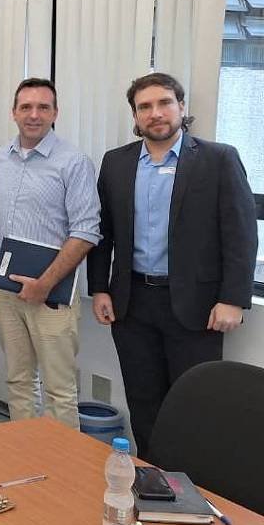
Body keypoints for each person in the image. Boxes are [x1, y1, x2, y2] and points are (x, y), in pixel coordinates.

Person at [88, 72, 256, 455]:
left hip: (196, 308)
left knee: (196, 404)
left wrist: (233, 299)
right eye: (144, 106)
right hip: (132, 304)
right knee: (143, 401)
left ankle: (193, 483)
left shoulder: (218, 159)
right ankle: (152, 476)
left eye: (164, 103)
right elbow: (103, 232)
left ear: (181, 107)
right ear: (135, 115)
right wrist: (99, 288)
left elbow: (241, 234)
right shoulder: (116, 163)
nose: (155, 113)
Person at [0, 77, 100, 428]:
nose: (34, 115)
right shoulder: (1, 158)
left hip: (51, 296)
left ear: (55, 113)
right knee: (18, 382)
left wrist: (45, 284)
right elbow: (1, 226)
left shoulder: (74, 162)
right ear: (13, 112)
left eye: (43, 107)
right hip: (7, 293)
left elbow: (86, 232)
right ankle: (24, 455)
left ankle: (60, 461)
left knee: (59, 390)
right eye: (26, 107)